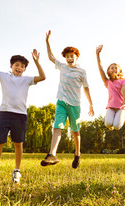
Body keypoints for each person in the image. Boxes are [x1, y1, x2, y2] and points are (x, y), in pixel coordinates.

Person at [0, 36, 46, 185]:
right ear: (11, 66)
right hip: (5, 113)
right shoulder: (4, 76)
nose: (19, 68)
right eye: (17, 65)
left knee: (18, 143)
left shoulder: (27, 79)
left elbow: (43, 77)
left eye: (22, 66)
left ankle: (17, 171)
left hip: (20, 116)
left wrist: (37, 62)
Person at [41, 30, 94, 169]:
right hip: (61, 102)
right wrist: (47, 41)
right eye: (67, 57)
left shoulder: (82, 72)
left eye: (72, 56)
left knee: (75, 132)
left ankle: (77, 154)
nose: (69, 59)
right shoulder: (62, 66)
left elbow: (86, 88)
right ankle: (52, 154)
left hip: (75, 105)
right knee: (57, 127)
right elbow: (51, 57)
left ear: (76, 57)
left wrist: (91, 104)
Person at [96, 45, 125, 130]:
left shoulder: (123, 81)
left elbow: (123, 89)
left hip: (121, 107)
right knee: (108, 124)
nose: (114, 69)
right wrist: (97, 54)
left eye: (116, 68)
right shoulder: (108, 82)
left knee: (116, 126)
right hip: (111, 106)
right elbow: (100, 68)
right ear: (108, 71)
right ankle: (116, 120)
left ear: (119, 71)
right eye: (112, 68)